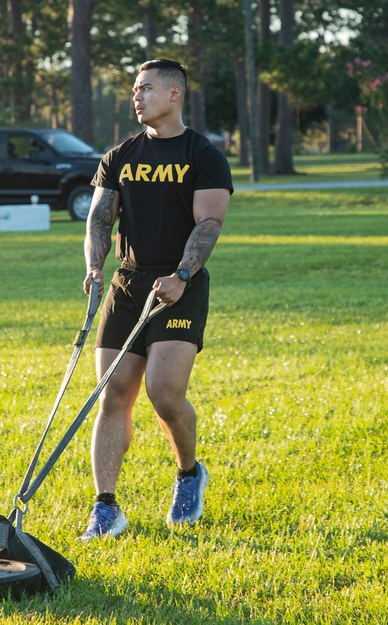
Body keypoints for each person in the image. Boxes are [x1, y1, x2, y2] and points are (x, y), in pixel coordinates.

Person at [80, 59, 233, 540]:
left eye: (145, 88)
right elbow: (101, 219)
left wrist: (182, 274)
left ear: (174, 94)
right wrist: (94, 267)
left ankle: (189, 474)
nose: (136, 96)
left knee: (164, 393)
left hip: (179, 286)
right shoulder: (119, 155)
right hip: (128, 284)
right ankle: (106, 507)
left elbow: (209, 223)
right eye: (133, 89)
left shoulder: (203, 155)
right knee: (113, 395)